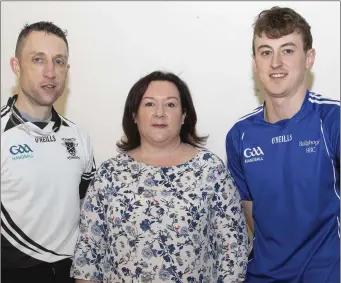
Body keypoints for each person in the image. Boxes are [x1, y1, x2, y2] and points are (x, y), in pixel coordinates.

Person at [70, 71, 249, 283]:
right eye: (149, 104)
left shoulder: (211, 170)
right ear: (134, 115)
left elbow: (233, 249)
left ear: (184, 116)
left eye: (171, 105)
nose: (160, 113)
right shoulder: (109, 174)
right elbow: (88, 256)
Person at [226, 6, 340, 283]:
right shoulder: (239, 135)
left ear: (309, 58)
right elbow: (251, 215)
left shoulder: (332, 119)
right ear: (255, 62)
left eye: (288, 50)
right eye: (266, 52)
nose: (275, 62)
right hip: (262, 276)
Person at [1, 22, 96, 283]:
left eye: (59, 61)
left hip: (71, 274)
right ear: (16, 66)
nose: (51, 72)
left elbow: (88, 213)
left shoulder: (79, 137)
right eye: (38, 60)